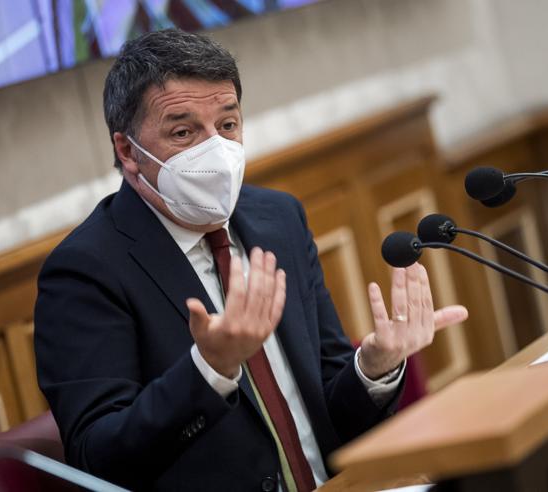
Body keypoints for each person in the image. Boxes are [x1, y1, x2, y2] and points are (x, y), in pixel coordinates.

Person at [34, 29, 468, 492]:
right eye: (183, 132)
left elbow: (331, 412)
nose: (215, 150)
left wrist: (373, 367)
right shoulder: (86, 270)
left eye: (227, 125)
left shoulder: (279, 219)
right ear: (128, 151)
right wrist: (209, 370)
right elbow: (99, 459)